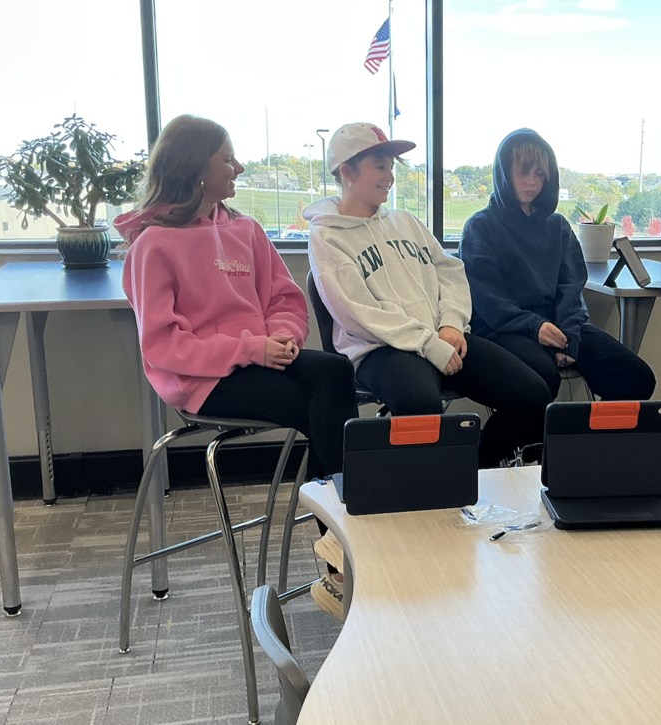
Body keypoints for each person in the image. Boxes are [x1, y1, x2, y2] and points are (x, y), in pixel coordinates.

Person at [116, 114, 358, 617]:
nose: (239, 168)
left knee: (335, 374)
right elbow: (163, 347)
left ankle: (341, 548)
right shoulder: (153, 245)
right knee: (317, 409)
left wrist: (282, 339)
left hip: (259, 358)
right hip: (201, 381)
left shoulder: (244, 230)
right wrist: (251, 348)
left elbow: (286, 299)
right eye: (227, 159)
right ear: (196, 168)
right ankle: (344, 557)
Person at [305, 123, 552, 468]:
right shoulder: (326, 237)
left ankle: (472, 473)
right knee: (421, 407)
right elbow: (357, 314)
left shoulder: (406, 222)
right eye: (380, 166)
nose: (389, 176)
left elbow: (450, 272)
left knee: (533, 396)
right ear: (347, 171)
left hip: (442, 335)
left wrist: (451, 324)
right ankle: (418, 507)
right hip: (382, 348)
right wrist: (428, 343)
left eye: (391, 167)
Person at [459, 129, 655, 402]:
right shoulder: (480, 227)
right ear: (504, 173)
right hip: (506, 329)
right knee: (541, 378)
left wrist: (570, 338)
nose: (532, 182)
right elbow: (488, 301)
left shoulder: (558, 226)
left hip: (561, 324)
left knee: (636, 378)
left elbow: (571, 289)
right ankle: (526, 445)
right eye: (523, 172)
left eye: (539, 174)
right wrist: (535, 327)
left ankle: (585, 442)